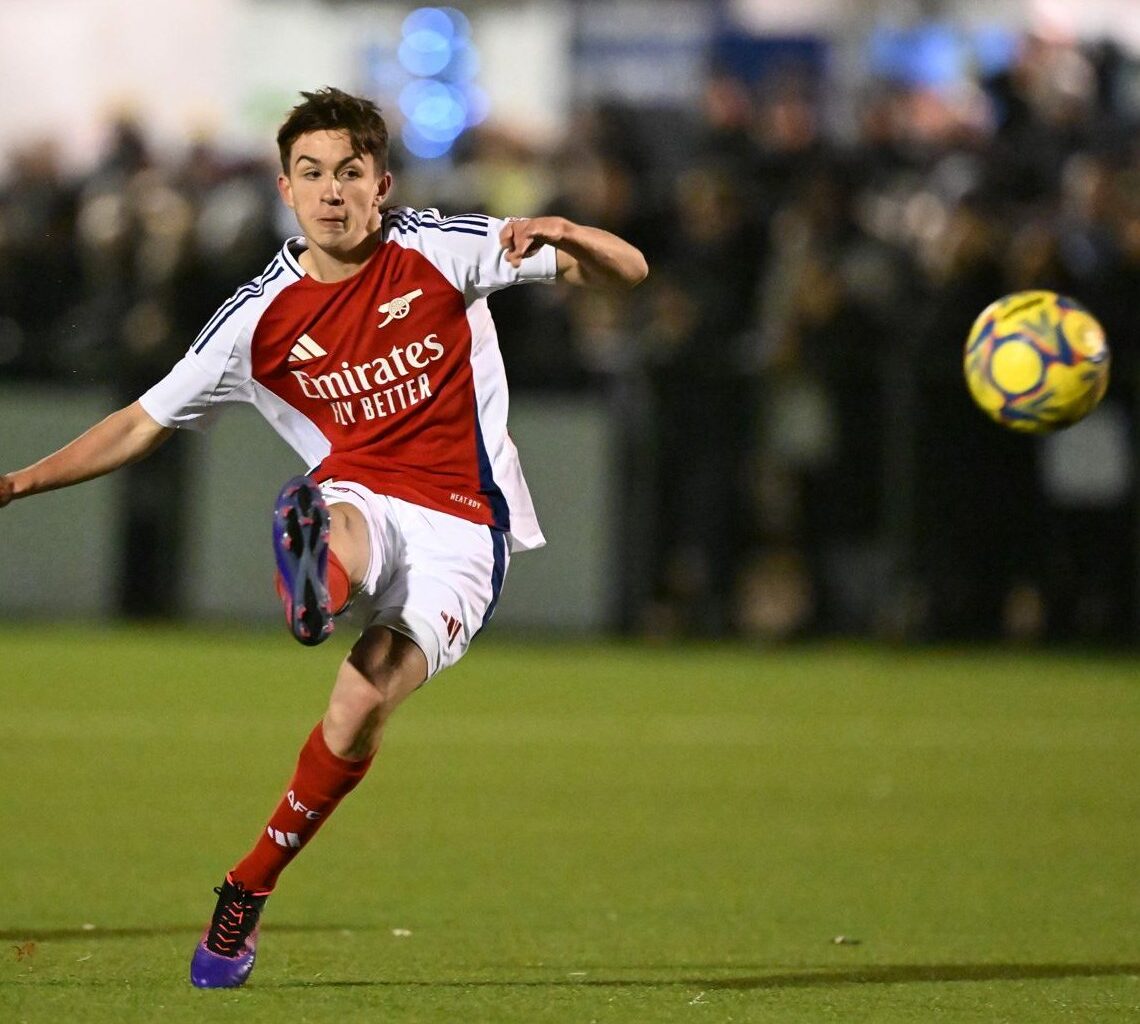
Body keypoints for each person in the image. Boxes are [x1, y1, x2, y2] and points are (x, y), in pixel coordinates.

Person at [0, 87, 648, 988]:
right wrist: (18, 482)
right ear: (285, 189)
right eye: (312, 175)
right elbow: (141, 422)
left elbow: (628, 272)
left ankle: (246, 890)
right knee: (336, 512)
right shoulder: (255, 320)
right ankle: (316, 583)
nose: (332, 192)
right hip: (362, 494)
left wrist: (571, 234)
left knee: (356, 710)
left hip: (466, 528)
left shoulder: (443, 248)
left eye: (350, 173)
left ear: (382, 185)